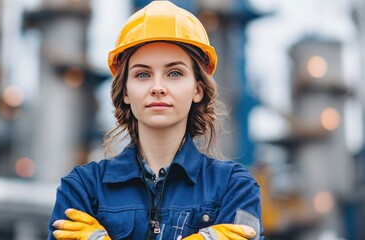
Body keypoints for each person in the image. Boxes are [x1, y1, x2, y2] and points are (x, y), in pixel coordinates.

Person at [48, 1, 263, 239]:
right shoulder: (82, 187)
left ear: (197, 90)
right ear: (126, 92)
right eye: (142, 74)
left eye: (174, 73)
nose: (158, 87)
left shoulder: (234, 187)